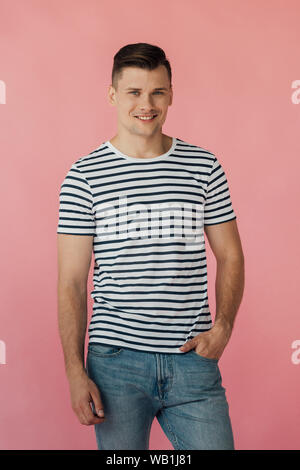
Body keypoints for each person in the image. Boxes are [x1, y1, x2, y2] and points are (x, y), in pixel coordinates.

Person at [57, 42, 245, 450]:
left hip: (193, 360)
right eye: (134, 92)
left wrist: (224, 328)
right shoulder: (83, 176)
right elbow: (72, 281)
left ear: (171, 94)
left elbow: (230, 255)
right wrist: (75, 371)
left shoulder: (204, 166)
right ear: (112, 95)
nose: (147, 103)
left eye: (158, 91)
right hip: (115, 363)